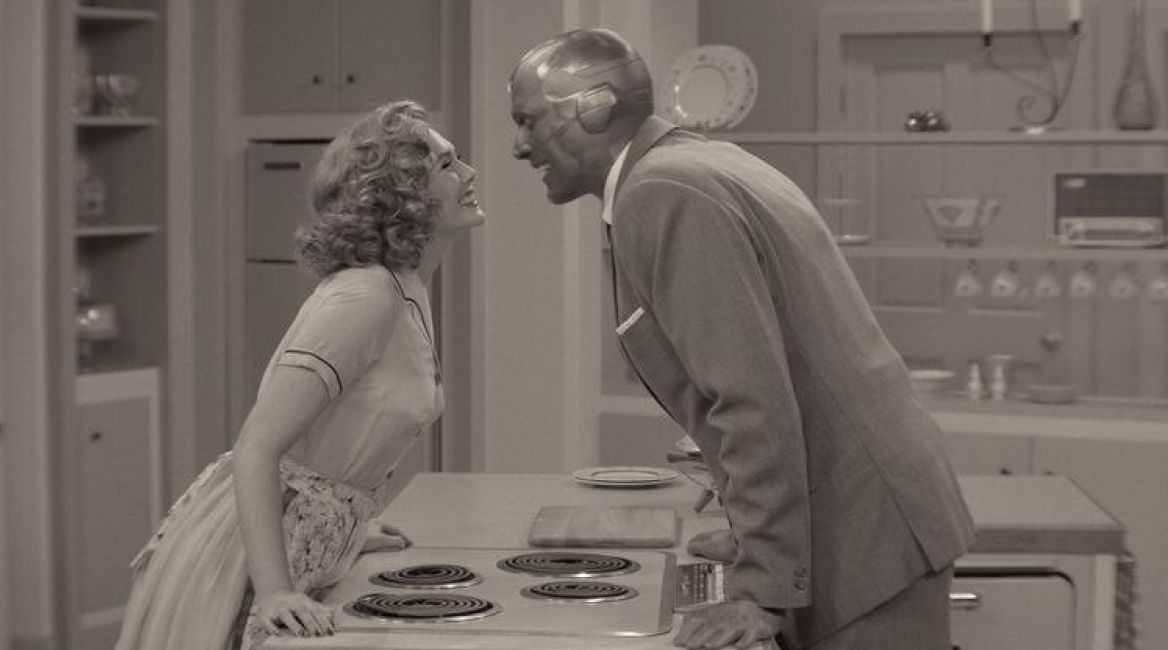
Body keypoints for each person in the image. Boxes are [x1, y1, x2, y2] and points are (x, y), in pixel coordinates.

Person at [509, 29, 975, 650]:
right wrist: (754, 542)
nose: (519, 146)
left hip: (863, 536)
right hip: (867, 515)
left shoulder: (662, 191)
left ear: (593, 109)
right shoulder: (696, 163)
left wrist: (763, 588)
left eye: (528, 121)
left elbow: (752, 398)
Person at [115, 100, 485, 649]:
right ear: (405, 196)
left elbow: (336, 446)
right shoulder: (366, 296)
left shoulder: (406, 285)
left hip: (301, 539)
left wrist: (346, 527)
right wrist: (274, 594)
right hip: (248, 556)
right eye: (448, 165)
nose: (469, 173)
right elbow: (256, 447)